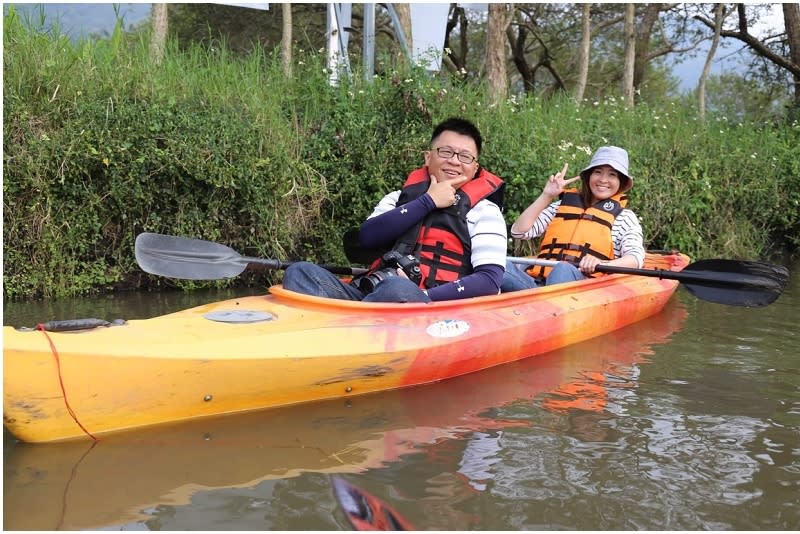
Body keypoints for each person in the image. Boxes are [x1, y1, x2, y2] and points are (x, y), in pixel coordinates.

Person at [283, 117, 508, 303]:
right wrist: (428, 201)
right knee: (299, 272)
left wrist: (424, 295)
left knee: (397, 290)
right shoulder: (398, 199)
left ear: (475, 167)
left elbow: (488, 280)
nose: (455, 161)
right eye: (446, 152)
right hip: (375, 293)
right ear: (428, 157)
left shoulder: (485, 212)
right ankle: (352, 325)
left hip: (431, 305)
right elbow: (367, 237)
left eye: (465, 156)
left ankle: (356, 326)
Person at [502, 145, 644, 291]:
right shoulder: (561, 206)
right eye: (598, 172)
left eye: (612, 175)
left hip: (583, 288)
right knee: (499, 265)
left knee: (562, 269)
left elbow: (635, 258)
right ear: (589, 176)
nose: (603, 179)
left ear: (621, 181)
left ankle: (545, 306)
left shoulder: (624, 217)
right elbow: (519, 232)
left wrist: (601, 263)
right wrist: (547, 195)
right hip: (537, 283)